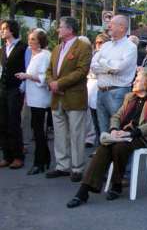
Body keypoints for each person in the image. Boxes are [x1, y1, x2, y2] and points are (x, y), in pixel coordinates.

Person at [66, 70, 147, 208]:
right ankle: (83, 192)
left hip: (142, 136)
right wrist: (114, 130)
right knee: (104, 147)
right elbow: (117, 116)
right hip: (123, 134)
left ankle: (117, 184)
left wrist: (131, 134)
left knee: (119, 147)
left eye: (138, 79)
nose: (134, 81)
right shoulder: (130, 96)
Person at [45, 17, 92, 182]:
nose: (58, 29)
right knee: (59, 134)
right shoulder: (57, 48)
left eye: (60, 27)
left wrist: (59, 83)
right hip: (57, 98)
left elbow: (82, 71)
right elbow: (49, 70)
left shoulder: (83, 47)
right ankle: (62, 166)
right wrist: (51, 82)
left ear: (70, 29)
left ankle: (78, 168)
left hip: (74, 97)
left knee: (76, 134)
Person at [91, 15, 137, 134]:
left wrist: (103, 63)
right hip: (101, 91)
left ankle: (116, 153)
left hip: (118, 93)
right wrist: (109, 66)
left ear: (122, 27)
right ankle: (105, 153)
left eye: (112, 24)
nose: (108, 26)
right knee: (103, 131)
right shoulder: (106, 45)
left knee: (117, 130)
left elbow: (118, 68)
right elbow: (93, 66)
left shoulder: (130, 47)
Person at [15, 29, 51, 174]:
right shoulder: (35, 55)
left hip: (40, 99)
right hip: (33, 98)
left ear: (40, 41)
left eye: (33, 39)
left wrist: (27, 76)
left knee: (38, 131)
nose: (30, 41)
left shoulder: (44, 55)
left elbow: (43, 78)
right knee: (36, 129)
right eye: (29, 39)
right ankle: (45, 158)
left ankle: (39, 162)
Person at [0, 20, 27, 169]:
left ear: (12, 30)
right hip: (3, 89)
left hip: (16, 89)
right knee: (2, 122)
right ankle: (7, 156)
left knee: (13, 123)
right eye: (1, 29)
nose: (2, 31)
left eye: (4, 28)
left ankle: (18, 156)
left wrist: (22, 88)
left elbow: (27, 68)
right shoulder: (3, 48)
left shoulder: (23, 47)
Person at [86, 33, 110, 147]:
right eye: (96, 42)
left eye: (101, 42)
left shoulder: (108, 56)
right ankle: (98, 147)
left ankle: (104, 148)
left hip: (102, 88)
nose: (98, 45)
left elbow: (105, 70)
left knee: (103, 122)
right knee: (94, 120)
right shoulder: (94, 55)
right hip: (91, 88)